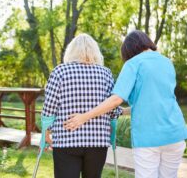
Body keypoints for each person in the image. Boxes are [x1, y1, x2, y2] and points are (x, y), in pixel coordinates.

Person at [64, 30, 187, 178]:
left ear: (129, 50)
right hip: (175, 135)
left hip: (148, 138)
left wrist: (84, 117)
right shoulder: (167, 62)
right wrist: (121, 112)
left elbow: (116, 99)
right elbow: (153, 102)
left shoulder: (134, 63)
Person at [41, 33, 121, 178]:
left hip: (66, 140)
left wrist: (46, 133)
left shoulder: (60, 71)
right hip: (97, 141)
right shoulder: (106, 73)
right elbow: (113, 109)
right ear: (95, 52)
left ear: (71, 51)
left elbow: (49, 109)